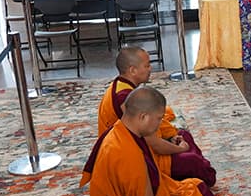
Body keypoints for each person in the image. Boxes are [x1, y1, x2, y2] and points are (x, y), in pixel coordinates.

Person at [88, 87, 239, 196]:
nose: (161, 123)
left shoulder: (120, 131)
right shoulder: (127, 155)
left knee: (197, 187)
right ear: (143, 117)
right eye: (159, 119)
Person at [84, 46, 217, 187]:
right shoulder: (123, 98)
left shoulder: (122, 85)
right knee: (195, 163)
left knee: (184, 136)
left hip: (143, 146)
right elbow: (152, 143)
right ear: (132, 70)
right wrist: (180, 150)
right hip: (137, 159)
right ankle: (191, 170)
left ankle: (191, 168)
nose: (150, 69)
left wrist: (171, 137)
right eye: (146, 65)